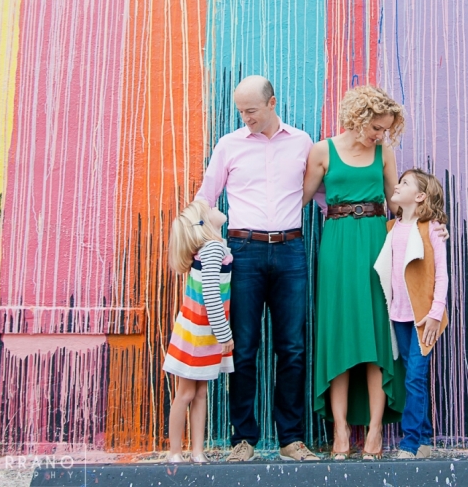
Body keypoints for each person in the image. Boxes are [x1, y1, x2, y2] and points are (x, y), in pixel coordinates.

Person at [194, 76, 320, 462]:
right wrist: (204, 242)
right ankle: (243, 439)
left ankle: (292, 440)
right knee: (243, 349)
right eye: (240, 111)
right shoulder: (229, 145)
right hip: (243, 252)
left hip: (290, 249)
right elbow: (205, 198)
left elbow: (324, 195)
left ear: (272, 103)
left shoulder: (302, 143)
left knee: (293, 348)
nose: (245, 117)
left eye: (251, 110)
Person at [302, 85, 407, 460]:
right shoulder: (322, 151)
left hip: (376, 247)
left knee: (377, 337)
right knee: (339, 336)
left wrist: (429, 228)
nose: (380, 134)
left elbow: (399, 203)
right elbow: (296, 200)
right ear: (358, 117)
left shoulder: (384, 152)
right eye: (376, 127)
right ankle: (341, 432)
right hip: (337, 245)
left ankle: (376, 431)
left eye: (385, 129)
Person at [373, 168, 449, 459]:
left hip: (423, 318)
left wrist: (434, 313)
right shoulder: (392, 228)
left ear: (419, 196)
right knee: (411, 375)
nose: (397, 185)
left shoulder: (431, 228)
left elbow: (441, 275)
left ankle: (410, 443)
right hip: (399, 317)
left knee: (415, 377)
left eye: (404, 183)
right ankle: (426, 439)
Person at [162, 199, 235, 463]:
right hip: (200, 335)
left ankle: (195, 451)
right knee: (187, 393)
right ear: (204, 224)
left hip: (198, 333)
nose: (216, 206)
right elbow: (212, 296)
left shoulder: (210, 249)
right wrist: (225, 334)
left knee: (197, 392)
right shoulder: (214, 249)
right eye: (210, 209)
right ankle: (176, 452)